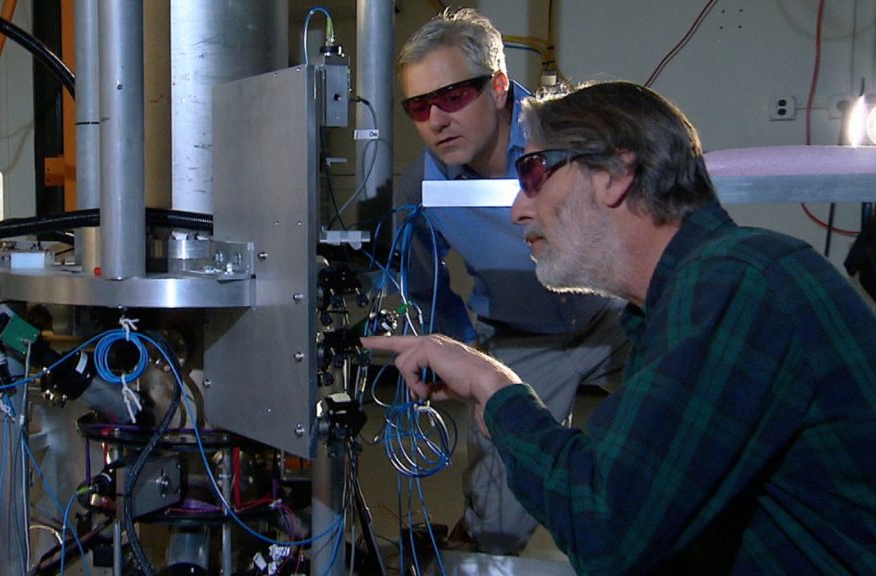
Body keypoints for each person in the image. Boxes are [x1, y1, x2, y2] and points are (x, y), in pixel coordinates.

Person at [366, 80, 876, 573]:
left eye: (535, 171)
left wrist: (493, 385)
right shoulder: (683, 300)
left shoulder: (737, 284)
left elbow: (604, 529)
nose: (519, 209)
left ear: (614, 173)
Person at [393, 8, 630, 554]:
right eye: (420, 106)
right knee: (495, 522)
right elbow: (419, 274)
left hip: (610, 318)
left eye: (453, 96)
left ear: (499, 87)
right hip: (520, 341)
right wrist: (459, 350)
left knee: (668, 451)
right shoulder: (422, 183)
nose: (437, 120)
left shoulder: (571, 134)